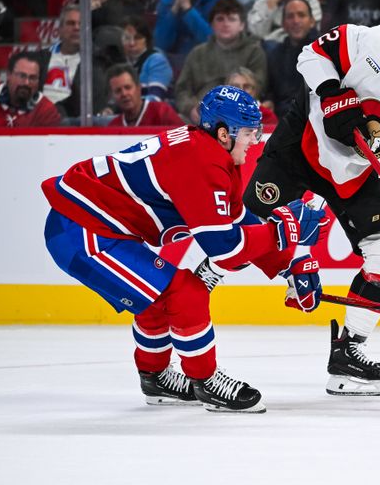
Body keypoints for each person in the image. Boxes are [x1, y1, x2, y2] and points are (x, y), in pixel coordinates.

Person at [42, 85, 327, 413]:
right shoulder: (201, 161)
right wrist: (284, 232)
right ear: (224, 133)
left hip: (98, 226)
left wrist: (286, 266)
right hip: (82, 228)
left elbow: (240, 224)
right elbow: (225, 248)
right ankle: (206, 382)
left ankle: (156, 378)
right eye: (249, 133)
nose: (256, 140)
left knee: (157, 301)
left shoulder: (213, 155)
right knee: (185, 292)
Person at [242, 4, 380, 396]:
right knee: (242, 226)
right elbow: (312, 54)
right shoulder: (376, 42)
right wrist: (331, 93)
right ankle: (179, 327)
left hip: (355, 171)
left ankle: (348, 353)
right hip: (302, 144)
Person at [175, 0, 268, 124]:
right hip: (200, 115)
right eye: (220, 19)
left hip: (240, 116)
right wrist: (191, 109)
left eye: (232, 19)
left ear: (242, 25)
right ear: (212, 25)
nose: (225, 24)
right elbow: (182, 90)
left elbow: (258, 87)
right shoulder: (197, 53)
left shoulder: (254, 52)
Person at [154, 0, 232, 65]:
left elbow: (216, 42)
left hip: (210, 61)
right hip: (177, 62)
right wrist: (175, 8)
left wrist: (188, 9)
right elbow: (160, 44)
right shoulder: (167, 0)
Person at [265, 0, 319, 119]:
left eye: (301, 15)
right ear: (283, 24)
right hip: (282, 118)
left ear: (312, 21)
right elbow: (270, 90)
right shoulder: (275, 53)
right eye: (290, 16)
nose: (296, 21)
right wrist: (270, 101)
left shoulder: (323, 51)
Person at [0, 51, 61, 127]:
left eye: (32, 78)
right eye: (22, 76)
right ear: (9, 75)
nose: (27, 83)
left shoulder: (47, 110)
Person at [106, 64, 183, 127]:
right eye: (118, 91)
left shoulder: (162, 112)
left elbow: (187, 141)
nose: (124, 94)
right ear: (113, 96)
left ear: (139, 88)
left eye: (128, 87)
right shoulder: (113, 126)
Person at [121, 15, 174, 102]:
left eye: (137, 37)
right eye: (127, 38)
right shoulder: (120, 62)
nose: (132, 43)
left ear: (146, 38)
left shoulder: (157, 60)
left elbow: (155, 99)